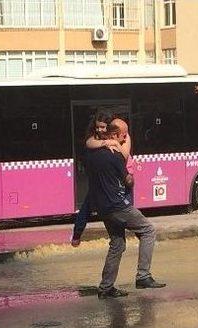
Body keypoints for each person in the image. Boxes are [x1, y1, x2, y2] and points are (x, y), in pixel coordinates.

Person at [85, 120, 166, 299]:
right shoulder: (113, 156)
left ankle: (106, 287)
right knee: (148, 230)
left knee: (117, 244)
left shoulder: (92, 153)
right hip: (117, 205)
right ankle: (143, 276)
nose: (125, 137)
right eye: (123, 134)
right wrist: (131, 176)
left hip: (103, 208)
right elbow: (127, 180)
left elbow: (91, 142)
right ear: (114, 135)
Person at [71, 112, 133, 247]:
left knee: (126, 205)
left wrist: (115, 145)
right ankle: (77, 234)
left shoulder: (123, 136)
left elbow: (124, 155)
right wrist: (107, 143)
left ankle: (125, 229)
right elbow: (89, 143)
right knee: (87, 205)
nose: (99, 130)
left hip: (118, 178)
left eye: (103, 127)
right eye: (97, 127)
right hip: (102, 179)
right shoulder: (95, 138)